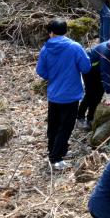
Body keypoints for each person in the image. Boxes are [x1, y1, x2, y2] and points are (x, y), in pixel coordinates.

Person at [36, 18, 92, 170]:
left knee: (53, 125)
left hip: (54, 94)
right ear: (66, 31)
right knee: (65, 127)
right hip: (71, 94)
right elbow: (86, 67)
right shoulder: (75, 47)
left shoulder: (46, 49)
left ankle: (52, 151)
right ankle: (56, 158)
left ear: (51, 33)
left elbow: (41, 71)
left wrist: (53, 76)